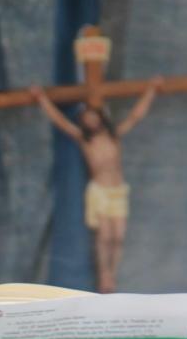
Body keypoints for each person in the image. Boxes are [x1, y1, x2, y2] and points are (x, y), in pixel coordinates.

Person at [29, 79, 160, 293]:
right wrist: (42, 99)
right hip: (100, 192)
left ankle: (113, 274)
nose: (90, 121)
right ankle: (104, 276)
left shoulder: (113, 136)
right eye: (86, 119)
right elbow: (60, 121)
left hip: (117, 191)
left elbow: (136, 115)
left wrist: (151, 91)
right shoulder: (85, 140)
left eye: (93, 117)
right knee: (104, 235)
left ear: (101, 118)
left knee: (118, 236)